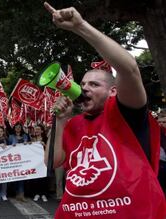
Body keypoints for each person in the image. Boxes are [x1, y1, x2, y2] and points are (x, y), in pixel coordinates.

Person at [44, 2, 166, 218]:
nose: (84, 88)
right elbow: (52, 162)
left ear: (113, 91)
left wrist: (80, 26)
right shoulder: (74, 125)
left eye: (94, 85)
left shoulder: (126, 114)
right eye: (83, 84)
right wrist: (61, 122)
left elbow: (129, 69)